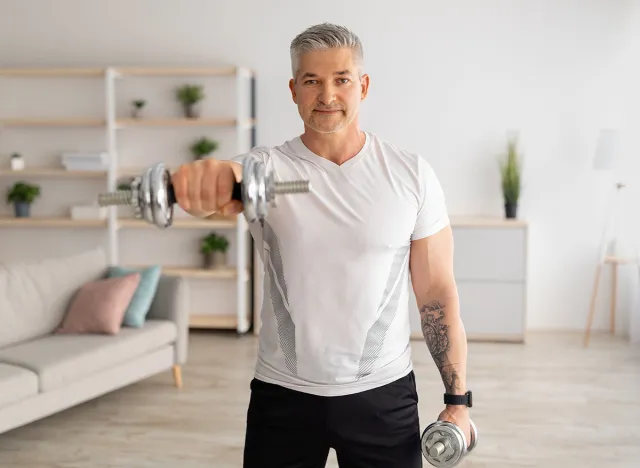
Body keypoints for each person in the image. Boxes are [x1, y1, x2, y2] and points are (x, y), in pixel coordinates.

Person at [172, 22, 471, 468]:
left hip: (382, 394)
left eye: (341, 80)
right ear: (293, 90)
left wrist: (458, 400)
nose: (327, 95)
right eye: (312, 81)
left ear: (363, 86)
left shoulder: (410, 175)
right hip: (283, 395)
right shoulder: (264, 169)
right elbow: (224, 188)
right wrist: (203, 179)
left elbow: (436, 295)